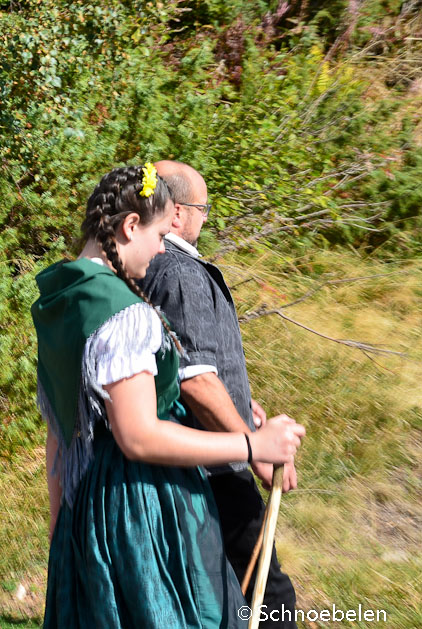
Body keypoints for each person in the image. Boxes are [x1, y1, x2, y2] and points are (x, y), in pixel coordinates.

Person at [32, 164, 305, 628]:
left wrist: (64, 529)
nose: (162, 249)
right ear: (130, 226)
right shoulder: (123, 313)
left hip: (87, 512)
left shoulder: (63, 300)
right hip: (142, 510)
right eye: (159, 234)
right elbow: (138, 436)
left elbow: (61, 435)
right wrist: (253, 445)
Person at [139, 160, 299, 626]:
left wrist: (236, 400)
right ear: (175, 215)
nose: (205, 218)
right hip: (212, 469)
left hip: (197, 457)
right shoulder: (179, 273)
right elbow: (194, 380)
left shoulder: (150, 265)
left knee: (218, 595)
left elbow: (183, 367)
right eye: (202, 208)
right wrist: (256, 449)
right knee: (270, 600)